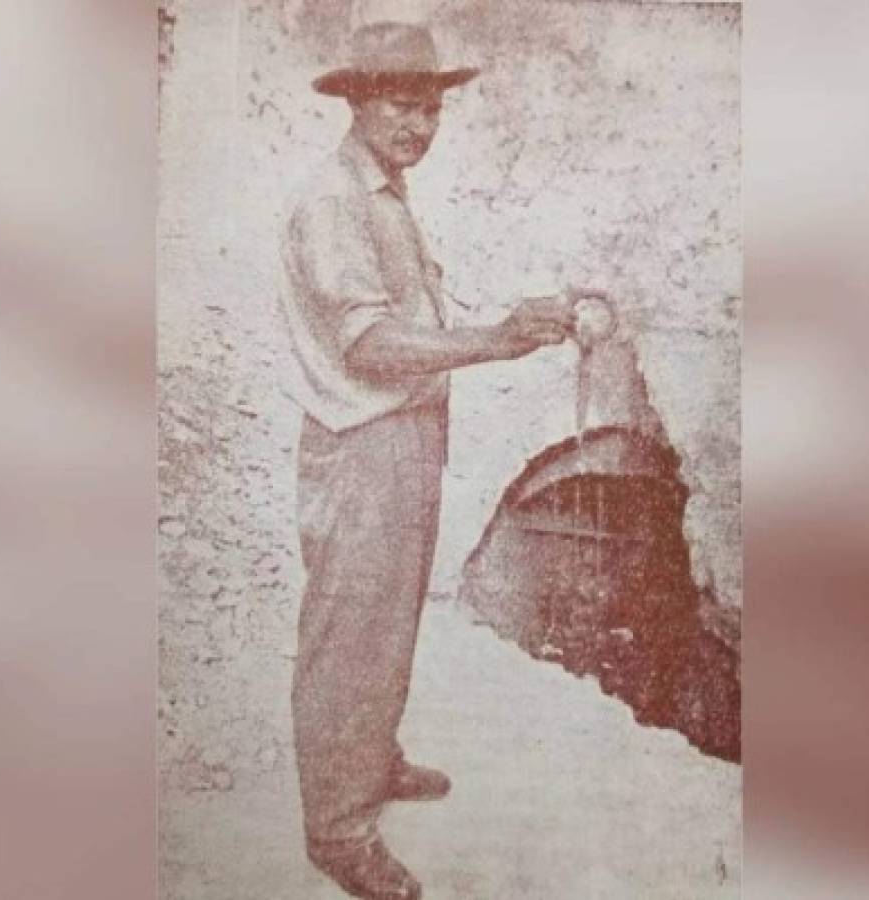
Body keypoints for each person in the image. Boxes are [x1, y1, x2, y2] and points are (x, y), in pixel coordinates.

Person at [278, 21, 582, 900]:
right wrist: (494, 341)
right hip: (362, 441)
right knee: (350, 632)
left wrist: (512, 321)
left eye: (432, 108)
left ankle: (367, 762)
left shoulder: (380, 191)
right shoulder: (333, 200)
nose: (421, 125)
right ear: (360, 101)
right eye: (404, 106)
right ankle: (337, 831)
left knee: (388, 618)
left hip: (401, 437)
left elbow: (408, 315)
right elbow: (369, 345)